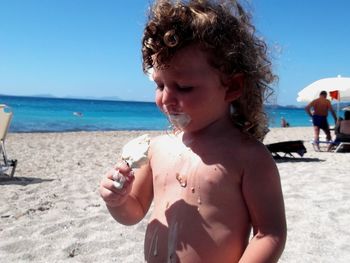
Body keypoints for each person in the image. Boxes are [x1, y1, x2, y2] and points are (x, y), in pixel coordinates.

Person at [100, 1, 286, 262]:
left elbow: (270, 233)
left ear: (232, 87)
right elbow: (135, 211)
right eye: (159, 85)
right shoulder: (157, 149)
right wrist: (117, 201)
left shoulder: (249, 157)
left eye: (184, 87)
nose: (166, 98)